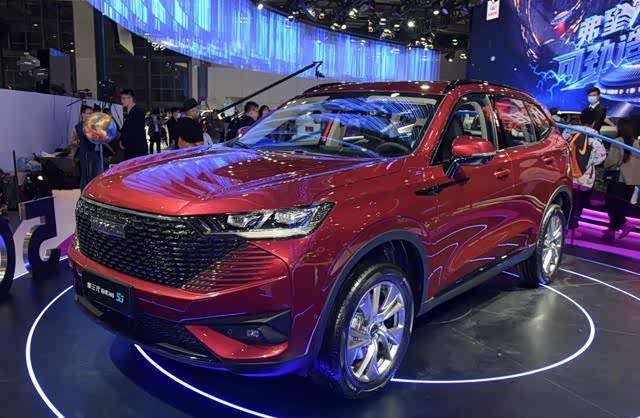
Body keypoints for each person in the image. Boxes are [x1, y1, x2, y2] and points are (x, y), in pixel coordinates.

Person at [566, 111, 607, 234]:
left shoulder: (568, 132)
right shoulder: (595, 137)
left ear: (580, 119)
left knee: (567, 199)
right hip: (584, 177)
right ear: (594, 122)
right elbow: (600, 157)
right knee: (579, 203)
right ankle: (572, 228)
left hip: (568, 173)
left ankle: (563, 225)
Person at [603, 117, 640, 239]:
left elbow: (611, 161)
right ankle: (611, 232)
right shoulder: (636, 143)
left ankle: (625, 224)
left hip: (618, 179)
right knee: (620, 207)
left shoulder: (618, 141)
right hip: (631, 182)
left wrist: (606, 165)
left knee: (611, 204)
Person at [76, 105, 100, 190]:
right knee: (86, 175)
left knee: (94, 174)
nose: (91, 115)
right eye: (89, 113)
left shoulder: (91, 125)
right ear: (82, 114)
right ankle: (84, 192)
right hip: (85, 153)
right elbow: (84, 137)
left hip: (93, 152)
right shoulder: (80, 126)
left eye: (91, 113)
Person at [119, 89, 148, 160]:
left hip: (137, 152)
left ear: (130, 98)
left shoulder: (138, 112)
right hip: (132, 151)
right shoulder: (130, 113)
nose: (122, 101)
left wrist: (123, 141)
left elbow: (135, 132)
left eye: (124, 98)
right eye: (121, 98)